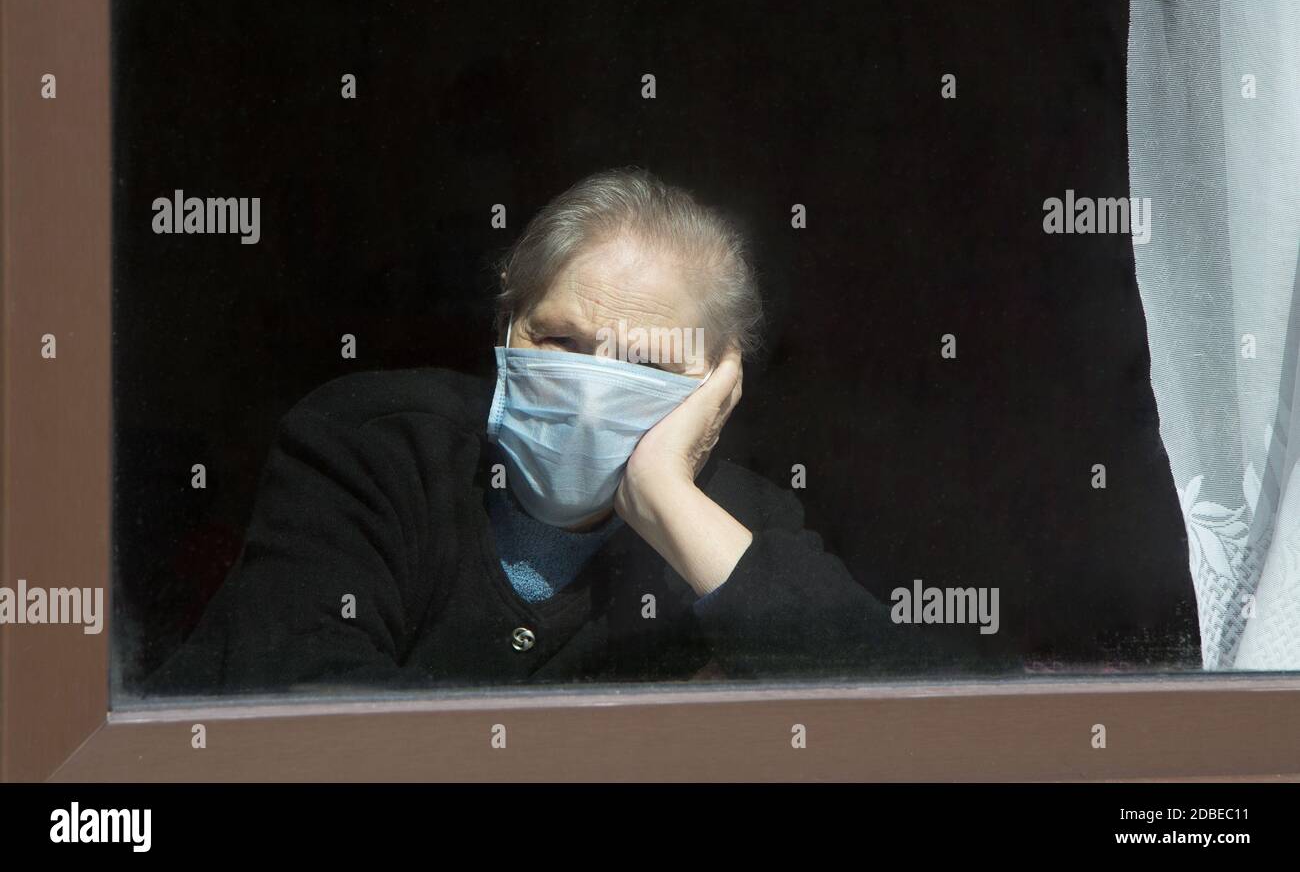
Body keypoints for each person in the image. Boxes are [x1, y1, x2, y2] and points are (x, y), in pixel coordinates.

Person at [145, 166, 983, 696]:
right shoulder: (370, 445)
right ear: (509, 323)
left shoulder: (735, 527)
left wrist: (663, 499)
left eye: (646, 364)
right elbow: (304, 711)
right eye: (561, 342)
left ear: (716, 383)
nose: (589, 390)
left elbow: (927, 719)